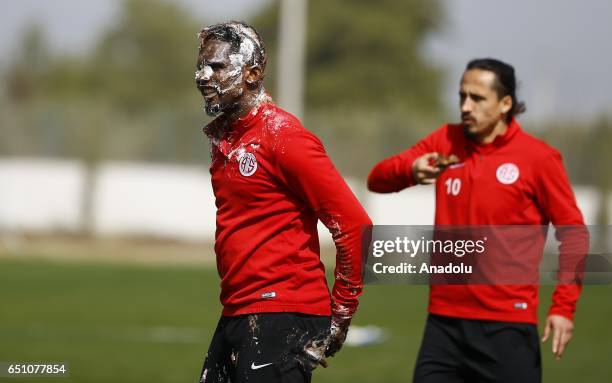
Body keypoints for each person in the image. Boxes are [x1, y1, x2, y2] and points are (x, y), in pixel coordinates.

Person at [368, 58, 588, 382]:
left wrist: (563, 308)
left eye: (477, 98)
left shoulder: (538, 158)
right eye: (462, 96)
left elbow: (574, 234)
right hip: (443, 325)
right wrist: (411, 170)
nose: (466, 106)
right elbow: (377, 179)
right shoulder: (446, 141)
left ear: (505, 103)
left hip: (507, 327)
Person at [194, 21, 371, 383]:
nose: (202, 75)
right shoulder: (226, 139)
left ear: (253, 73)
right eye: (201, 65)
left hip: (283, 312)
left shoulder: (283, 137)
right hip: (239, 310)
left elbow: (355, 225)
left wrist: (341, 313)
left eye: (217, 66)